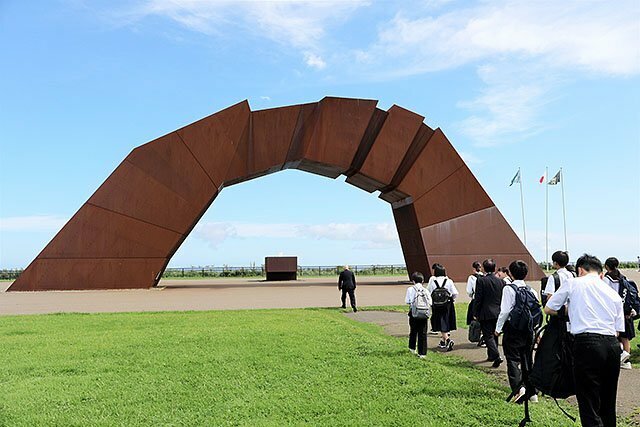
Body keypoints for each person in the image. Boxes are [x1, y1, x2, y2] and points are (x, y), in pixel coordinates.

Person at [545, 254, 624, 427]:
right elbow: (618, 331)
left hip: (587, 343)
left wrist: (570, 311)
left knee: (588, 400)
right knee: (608, 399)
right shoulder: (612, 293)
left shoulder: (574, 282)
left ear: (580, 270)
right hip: (612, 346)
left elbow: (549, 308)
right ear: (600, 273)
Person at [495, 260, 539, 403]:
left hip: (513, 330)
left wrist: (498, 329)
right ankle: (532, 392)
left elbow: (505, 311)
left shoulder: (509, 289)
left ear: (511, 273)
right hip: (528, 331)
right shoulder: (531, 290)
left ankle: (518, 390)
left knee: (513, 360)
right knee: (527, 360)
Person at [603, 257, 635, 370]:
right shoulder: (623, 278)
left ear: (607, 266)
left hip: (613, 310)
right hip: (625, 311)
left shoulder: (607, 279)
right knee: (625, 338)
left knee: (614, 336)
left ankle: (617, 358)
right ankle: (627, 361)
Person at [473, 259, 504, 367]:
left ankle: (496, 355)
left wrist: (475, 312)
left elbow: (478, 298)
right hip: (498, 312)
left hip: (485, 312)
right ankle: (491, 356)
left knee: (488, 336)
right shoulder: (501, 281)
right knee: (495, 335)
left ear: (484, 269)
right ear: (495, 268)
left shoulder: (481, 281)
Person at [427, 263, 458, 351]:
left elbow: (428, 292)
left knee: (440, 323)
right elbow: (455, 293)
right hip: (447, 304)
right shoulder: (449, 281)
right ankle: (443, 341)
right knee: (446, 321)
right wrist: (451, 299)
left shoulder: (432, 281)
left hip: (436, 305)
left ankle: (447, 340)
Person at [405, 272, 431, 358]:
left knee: (413, 331)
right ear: (422, 281)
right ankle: (422, 353)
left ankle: (412, 348)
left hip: (414, 312)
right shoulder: (426, 290)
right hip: (424, 313)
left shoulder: (410, 289)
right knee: (423, 333)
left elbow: (407, 301)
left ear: (413, 281)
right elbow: (430, 302)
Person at [466, 261, 486, 347]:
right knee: (484, 320)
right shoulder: (484, 277)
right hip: (485, 301)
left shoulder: (471, 278)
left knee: (475, 318)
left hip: (475, 300)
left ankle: (477, 336)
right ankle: (483, 337)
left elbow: (469, 291)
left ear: (474, 269)